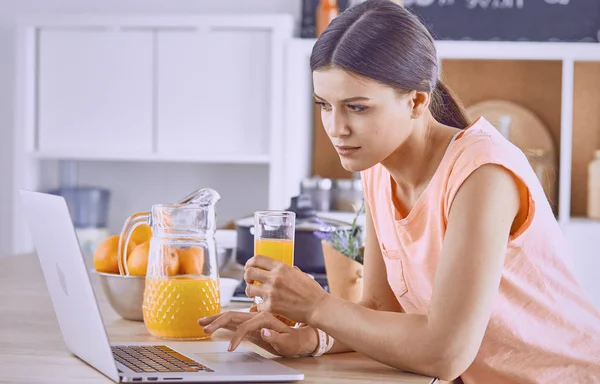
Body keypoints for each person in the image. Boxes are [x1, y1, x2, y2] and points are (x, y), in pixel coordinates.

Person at [198, 0, 600, 382]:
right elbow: (379, 309)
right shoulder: (377, 169)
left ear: (416, 101)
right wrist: (312, 336)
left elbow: (447, 352)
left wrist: (318, 306)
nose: (337, 127)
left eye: (357, 107)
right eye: (324, 105)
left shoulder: (482, 173)